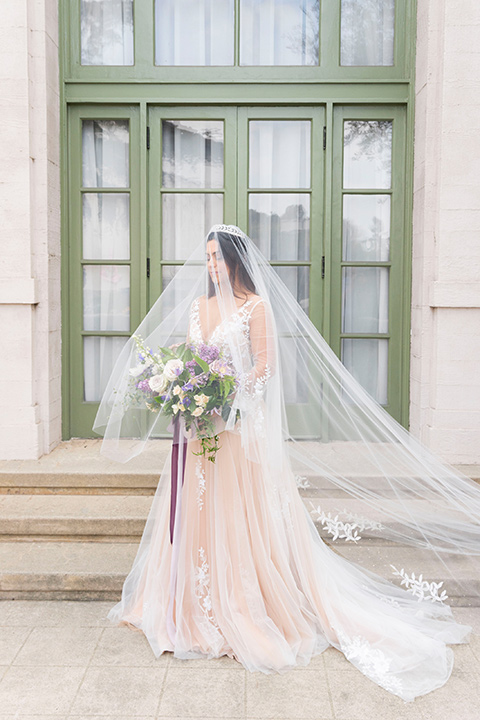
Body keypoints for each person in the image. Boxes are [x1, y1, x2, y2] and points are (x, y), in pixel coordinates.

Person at [93, 224, 480, 702]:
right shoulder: (198, 307)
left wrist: (227, 396)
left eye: (217, 257)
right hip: (200, 432)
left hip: (235, 431)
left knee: (236, 514)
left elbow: (264, 366)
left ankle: (244, 605)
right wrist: (185, 391)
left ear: (235, 260)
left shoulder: (257, 307)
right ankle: (188, 604)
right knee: (197, 510)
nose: (210, 265)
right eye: (206, 257)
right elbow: (192, 359)